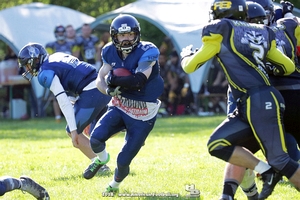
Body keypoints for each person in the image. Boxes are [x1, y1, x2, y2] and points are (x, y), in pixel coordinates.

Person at [180, 1, 300, 200]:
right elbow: (286, 67)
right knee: (217, 144)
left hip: (257, 100)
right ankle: (266, 172)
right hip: (259, 99)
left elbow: (190, 67)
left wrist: (186, 55)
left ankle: (263, 175)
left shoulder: (221, 30)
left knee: (281, 160)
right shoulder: (264, 31)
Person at [219, 1, 300, 199]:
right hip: (285, 95)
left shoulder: (234, 34)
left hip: (257, 99)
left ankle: (230, 195)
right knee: (284, 155)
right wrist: (284, 14)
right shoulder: (284, 27)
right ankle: (246, 190)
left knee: (238, 147)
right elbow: (287, 66)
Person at [82, 14, 164, 193]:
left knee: (123, 160)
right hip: (121, 104)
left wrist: (113, 78)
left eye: (130, 35)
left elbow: (139, 80)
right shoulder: (108, 50)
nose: (126, 39)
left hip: (144, 112)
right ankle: (102, 159)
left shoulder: (148, 50)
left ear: (137, 35)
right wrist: (108, 89)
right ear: (114, 36)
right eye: (122, 35)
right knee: (95, 139)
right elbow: (100, 78)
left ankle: (114, 185)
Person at [18, 43, 112, 176]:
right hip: (101, 85)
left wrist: (74, 131)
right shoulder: (56, 56)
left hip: (91, 92)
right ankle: (125, 126)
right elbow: (74, 76)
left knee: (73, 132)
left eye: (28, 64)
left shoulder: (44, 73)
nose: (27, 69)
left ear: (35, 59)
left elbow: (63, 102)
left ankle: (100, 165)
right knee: (95, 131)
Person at [45, 25, 77, 122]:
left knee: (73, 94)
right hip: (57, 73)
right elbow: (49, 59)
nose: (60, 34)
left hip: (70, 72)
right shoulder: (51, 45)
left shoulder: (72, 44)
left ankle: (73, 115)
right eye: (59, 33)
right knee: (56, 95)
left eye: (62, 32)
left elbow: (76, 59)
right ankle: (58, 117)